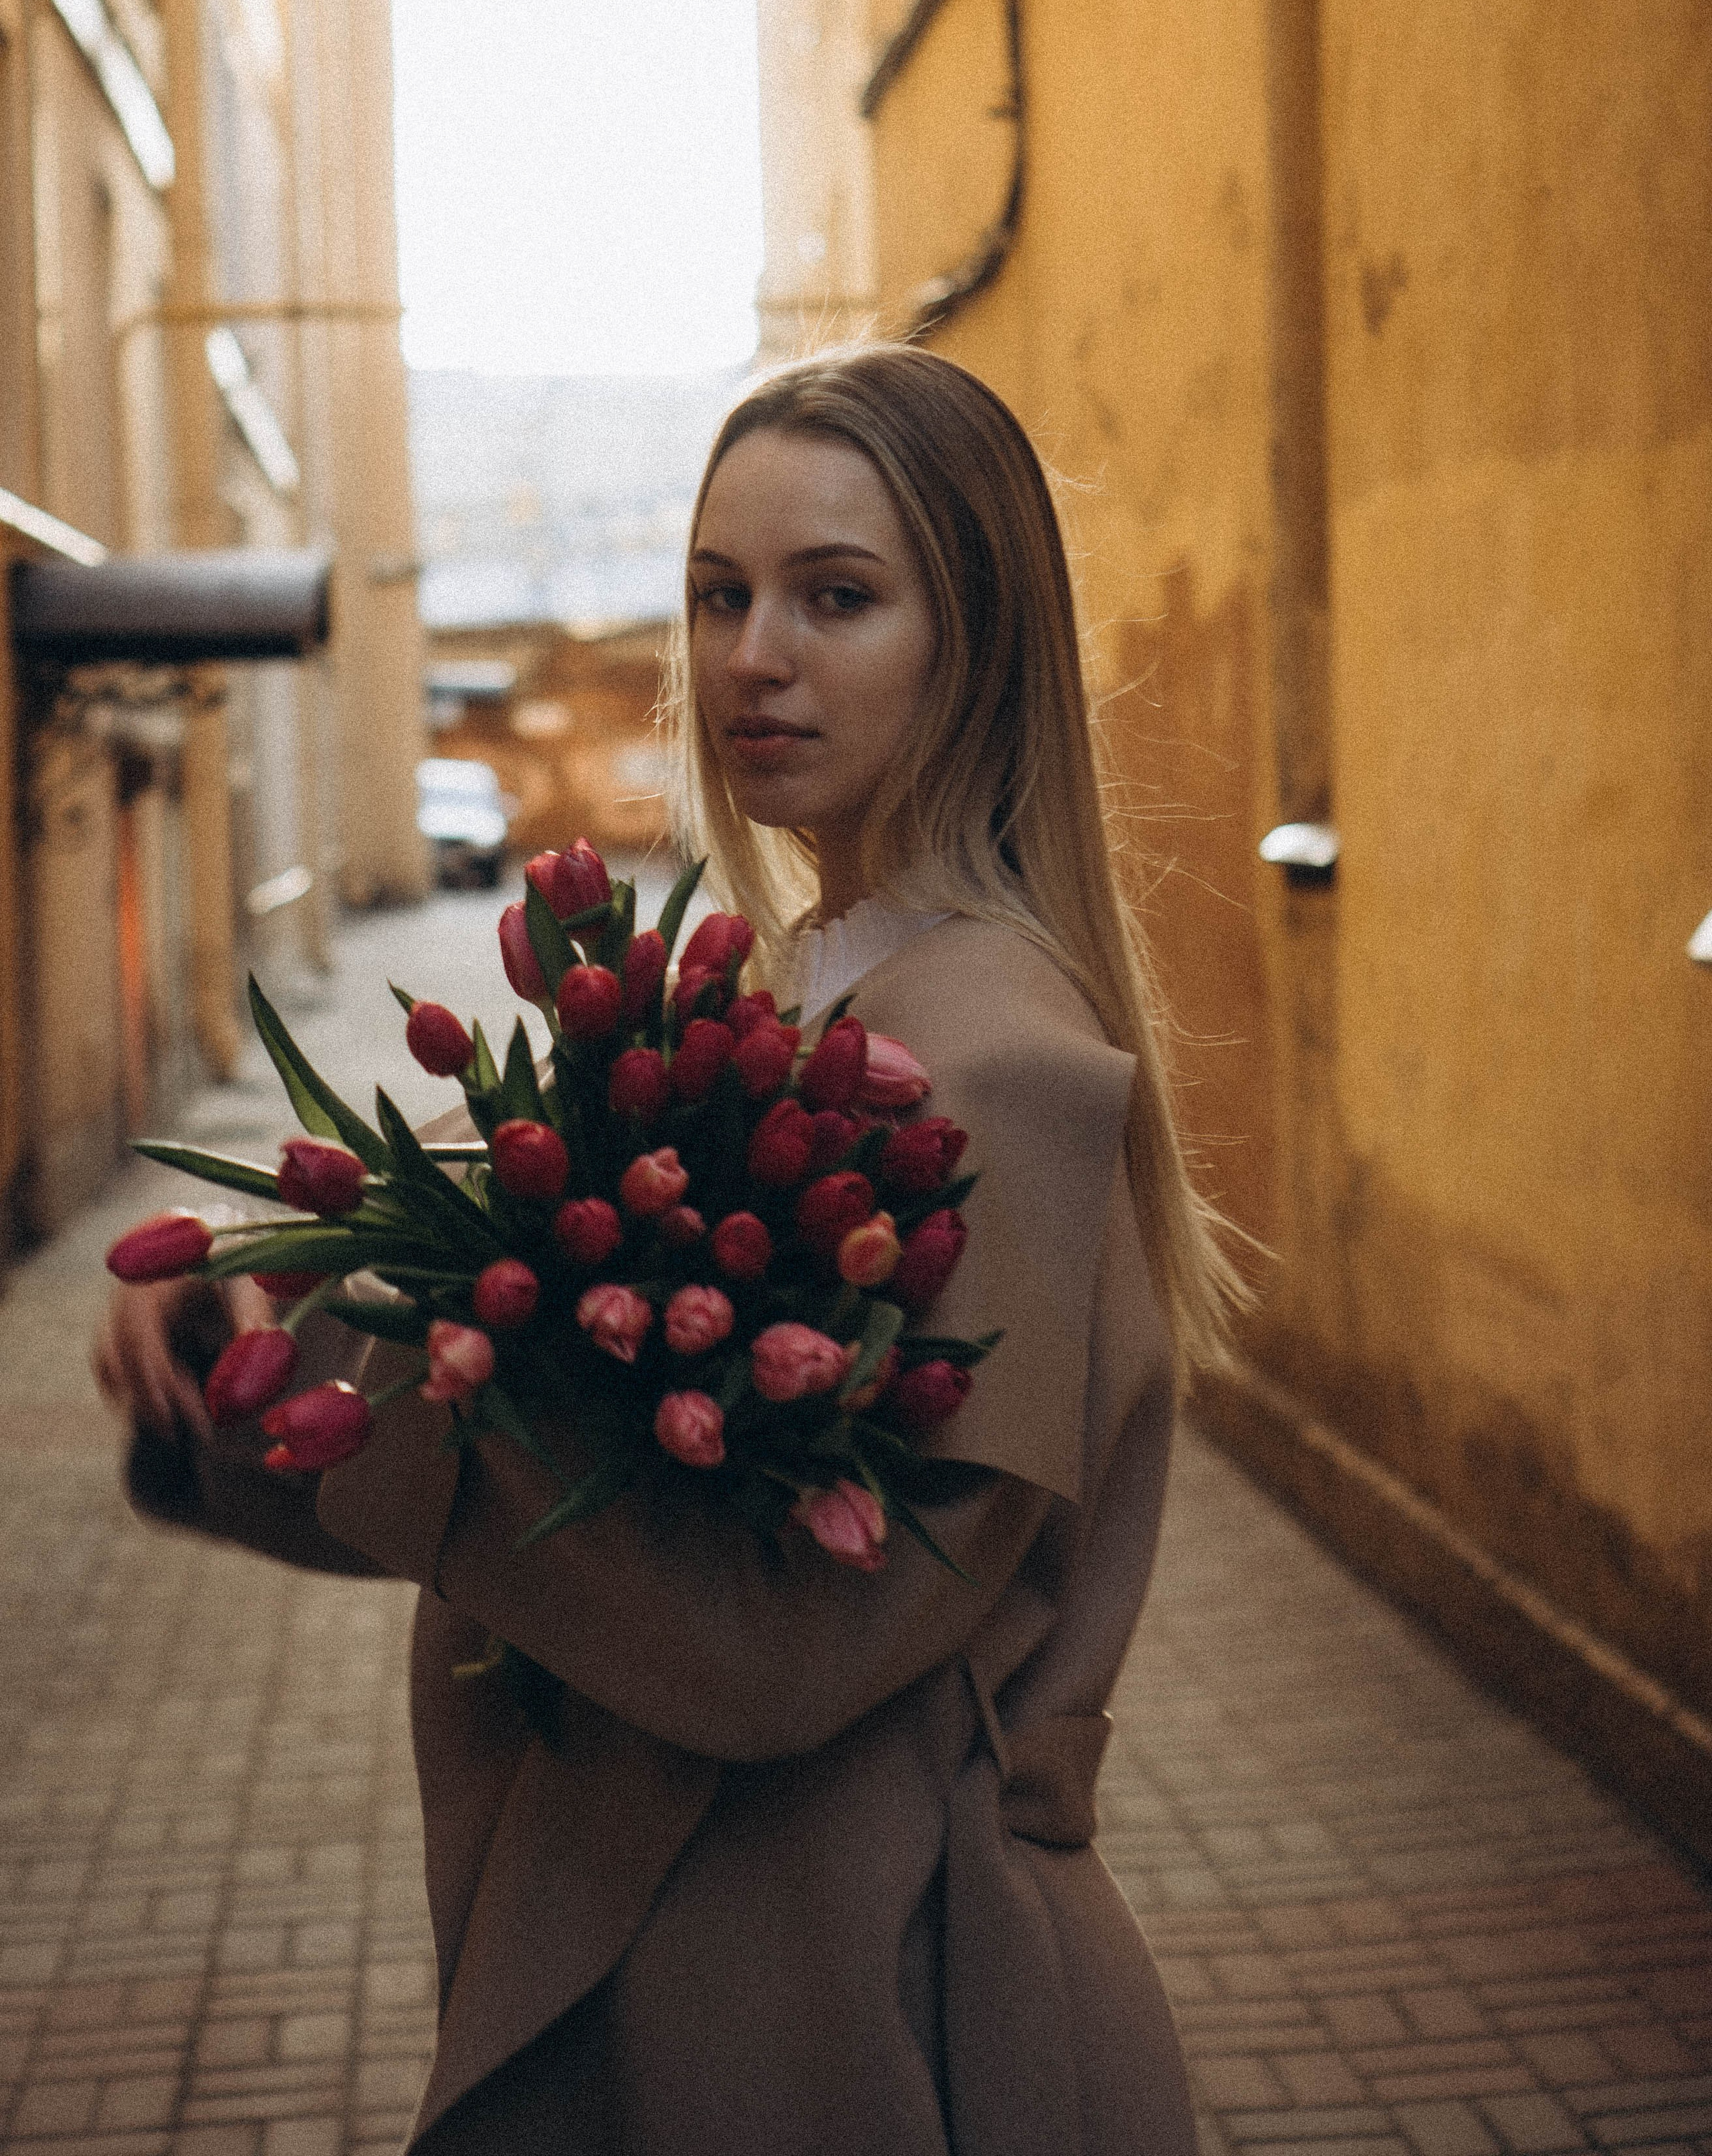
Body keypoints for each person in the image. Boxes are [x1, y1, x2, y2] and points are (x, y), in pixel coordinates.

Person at [95, 342, 1247, 2153]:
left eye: (836, 597)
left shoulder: (995, 1064)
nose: (749, 657)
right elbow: (584, 1525)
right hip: (708, 1962)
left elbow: (778, 1651)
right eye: (718, 595)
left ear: (982, 640)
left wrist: (394, 1369)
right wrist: (239, 1376)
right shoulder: (801, 999)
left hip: (867, 2010)